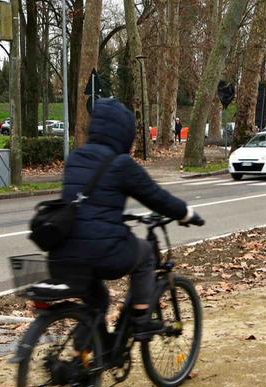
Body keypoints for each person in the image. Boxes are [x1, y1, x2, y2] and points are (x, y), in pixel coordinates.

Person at [50, 98, 203, 340]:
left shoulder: (76, 158)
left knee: (98, 299)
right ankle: (141, 320)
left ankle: (90, 354)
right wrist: (186, 213)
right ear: (123, 133)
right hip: (101, 251)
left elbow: (89, 203)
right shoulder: (120, 164)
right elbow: (156, 197)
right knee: (144, 255)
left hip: (63, 251)